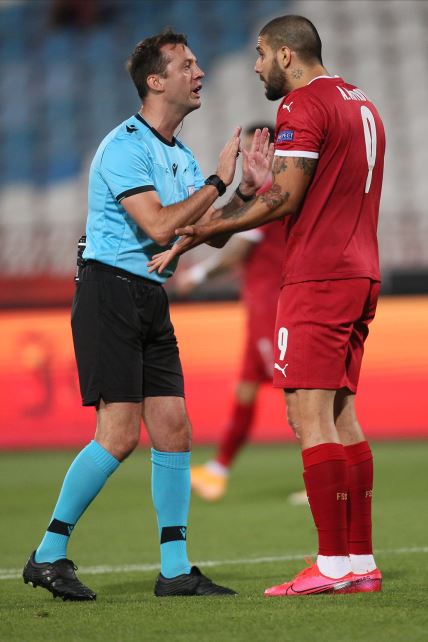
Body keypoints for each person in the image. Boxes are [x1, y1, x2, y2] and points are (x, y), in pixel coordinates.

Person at [22, 29, 272, 601]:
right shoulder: (123, 147)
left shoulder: (177, 155)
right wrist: (217, 180)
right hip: (109, 293)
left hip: (148, 299)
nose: (200, 72)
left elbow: (199, 235)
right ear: (156, 81)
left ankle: (176, 570)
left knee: (174, 432)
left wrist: (244, 196)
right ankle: (49, 553)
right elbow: (162, 227)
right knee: (117, 437)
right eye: (187, 65)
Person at [149, 15, 385, 596]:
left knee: (305, 416)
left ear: (286, 55)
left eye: (259, 54)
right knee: (338, 415)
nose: (254, 66)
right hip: (360, 269)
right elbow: (299, 188)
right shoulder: (360, 102)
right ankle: (358, 561)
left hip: (318, 276)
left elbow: (287, 197)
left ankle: (331, 566)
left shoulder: (302, 105)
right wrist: (258, 188)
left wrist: (202, 227)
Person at [179, 124, 287, 501]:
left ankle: (325, 478)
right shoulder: (272, 190)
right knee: (244, 389)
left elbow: (238, 250)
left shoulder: (270, 192)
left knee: (299, 395)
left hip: (274, 309)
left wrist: (198, 273)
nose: (247, 161)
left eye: (251, 152)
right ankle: (219, 468)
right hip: (260, 305)